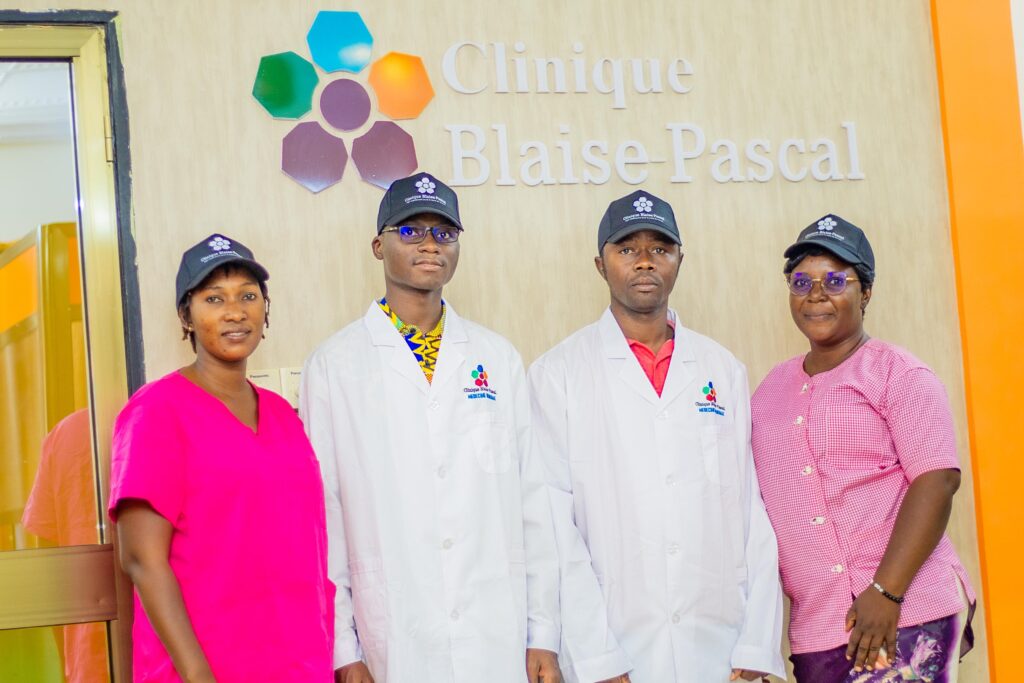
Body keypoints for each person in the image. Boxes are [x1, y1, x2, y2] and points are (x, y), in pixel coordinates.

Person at [300, 173, 561, 683]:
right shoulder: (334, 365)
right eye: (411, 231)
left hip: (494, 629)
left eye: (444, 233)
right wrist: (343, 648)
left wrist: (543, 633)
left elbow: (533, 500)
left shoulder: (497, 357)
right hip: (395, 627)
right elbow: (323, 512)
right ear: (378, 246)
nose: (429, 245)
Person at [528, 190, 785, 683]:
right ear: (600, 265)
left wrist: (756, 642)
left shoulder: (721, 369)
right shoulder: (558, 373)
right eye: (627, 249)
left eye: (660, 249)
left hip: (719, 641)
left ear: (679, 261)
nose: (645, 261)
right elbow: (554, 522)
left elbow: (750, 510)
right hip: (614, 640)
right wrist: (596, 653)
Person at [750, 214, 976, 683]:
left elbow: (937, 481)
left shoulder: (899, 373)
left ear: (866, 292)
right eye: (801, 282)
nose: (816, 294)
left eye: (835, 280)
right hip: (817, 628)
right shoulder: (769, 391)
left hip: (904, 613)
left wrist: (886, 592)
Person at [109, 234, 333, 682]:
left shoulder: (283, 416)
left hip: (298, 664)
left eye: (248, 296)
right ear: (186, 316)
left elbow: (306, 546)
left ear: (265, 310)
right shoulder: (156, 412)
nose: (235, 311)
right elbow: (141, 560)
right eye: (214, 298)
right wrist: (197, 674)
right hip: (205, 668)